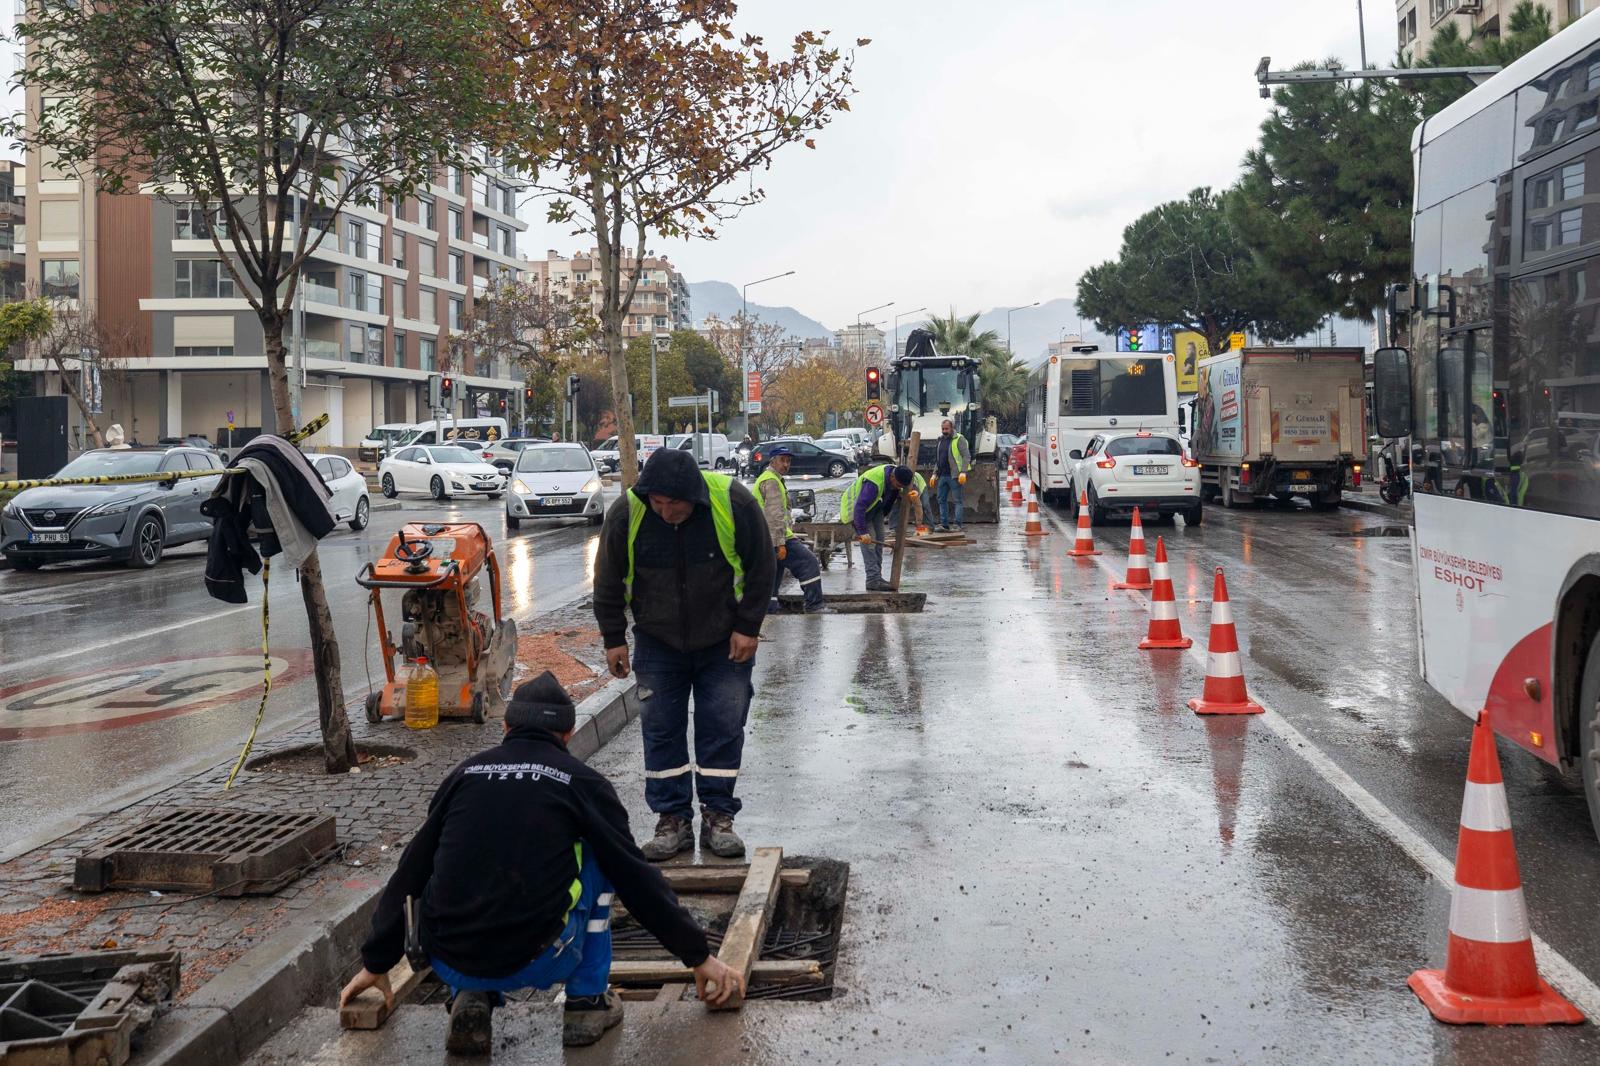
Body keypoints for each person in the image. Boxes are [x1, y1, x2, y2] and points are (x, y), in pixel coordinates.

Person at [339, 673, 744, 1053]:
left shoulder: (463, 775)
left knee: (455, 854)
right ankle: (587, 1002)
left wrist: (376, 962)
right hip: (541, 958)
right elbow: (636, 878)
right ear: (568, 734)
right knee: (602, 858)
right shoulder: (582, 782)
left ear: (506, 728)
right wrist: (698, 956)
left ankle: (471, 994)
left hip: (451, 960)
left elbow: (410, 873)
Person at [593, 448, 774, 861]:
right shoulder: (628, 512)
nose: (665, 512)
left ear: (693, 496)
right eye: (657, 503)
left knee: (723, 726)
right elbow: (607, 578)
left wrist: (748, 627)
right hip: (658, 641)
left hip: (724, 641)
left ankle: (718, 816)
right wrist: (613, 638)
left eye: (674, 504)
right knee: (660, 729)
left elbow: (762, 567)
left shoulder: (733, 502)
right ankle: (672, 818)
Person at [753, 445, 824, 613]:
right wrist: (781, 544)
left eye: (788, 461)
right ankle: (814, 605)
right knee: (809, 563)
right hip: (777, 537)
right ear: (772, 461)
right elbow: (774, 516)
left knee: (774, 576)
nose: (786, 464)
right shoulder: (771, 481)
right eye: (782, 460)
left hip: (766, 536)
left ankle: (769, 609)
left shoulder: (771, 478)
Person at [839, 463, 923, 592]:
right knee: (869, 543)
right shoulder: (873, 484)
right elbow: (859, 508)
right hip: (857, 511)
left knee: (879, 541)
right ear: (892, 477)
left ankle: (877, 577)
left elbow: (911, 483)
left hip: (875, 507)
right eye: (898, 485)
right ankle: (872, 580)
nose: (899, 488)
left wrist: (914, 490)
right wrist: (862, 531)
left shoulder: (897, 473)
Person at [928, 419, 972, 531]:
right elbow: (939, 459)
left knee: (957, 500)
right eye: (943, 429)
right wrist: (934, 474)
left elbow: (966, 456)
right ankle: (944, 525)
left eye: (946, 429)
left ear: (952, 428)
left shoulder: (959, 439)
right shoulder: (940, 440)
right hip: (942, 475)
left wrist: (963, 472)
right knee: (941, 500)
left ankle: (957, 524)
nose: (944, 431)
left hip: (955, 476)